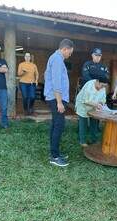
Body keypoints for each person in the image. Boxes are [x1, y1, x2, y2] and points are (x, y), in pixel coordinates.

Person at [44, 39, 74, 167]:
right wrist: (59, 102)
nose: (70, 55)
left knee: (55, 125)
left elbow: (46, 75)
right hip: (56, 99)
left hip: (54, 97)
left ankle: (54, 152)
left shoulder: (56, 58)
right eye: (70, 53)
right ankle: (54, 157)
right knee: (59, 125)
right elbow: (56, 82)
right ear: (65, 49)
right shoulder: (57, 59)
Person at [75, 78, 108, 147]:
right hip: (83, 106)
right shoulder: (89, 85)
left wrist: (101, 103)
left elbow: (103, 99)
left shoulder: (103, 88)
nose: (103, 87)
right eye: (102, 85)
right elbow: (85, 101)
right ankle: (82, 141)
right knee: (83, 124)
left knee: (94, 122)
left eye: (104, 86)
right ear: (97, 81)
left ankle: (94, 139)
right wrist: (96, 105)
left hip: (94, 107)